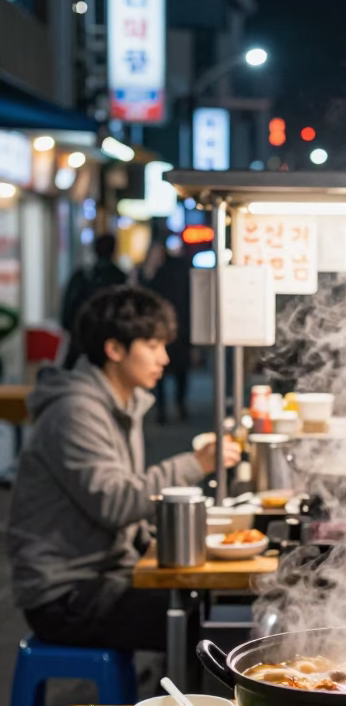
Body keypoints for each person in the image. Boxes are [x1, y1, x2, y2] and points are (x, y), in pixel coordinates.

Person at [8, 285, 240, 651]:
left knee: (214, 611)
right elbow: (116, 502)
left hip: (105, 574)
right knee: (213, 630)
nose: (164, 358)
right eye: (152, 346)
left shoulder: (120, 404)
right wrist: (198, 464)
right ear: (114, 349)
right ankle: (178, 704)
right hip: (65, 593)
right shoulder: (75, 412)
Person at [61, 234, 127, 369]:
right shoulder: (120, 278)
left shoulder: (82, 275)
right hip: (110, 346)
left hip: (80, 342)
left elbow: (67, 311)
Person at [147, 244, 192, 423]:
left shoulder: (159, 273)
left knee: (161, 371)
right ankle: (180, 404)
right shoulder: (185, 271)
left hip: (160, 329)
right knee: (181, 370)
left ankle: (162, 408)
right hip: (181, 328)